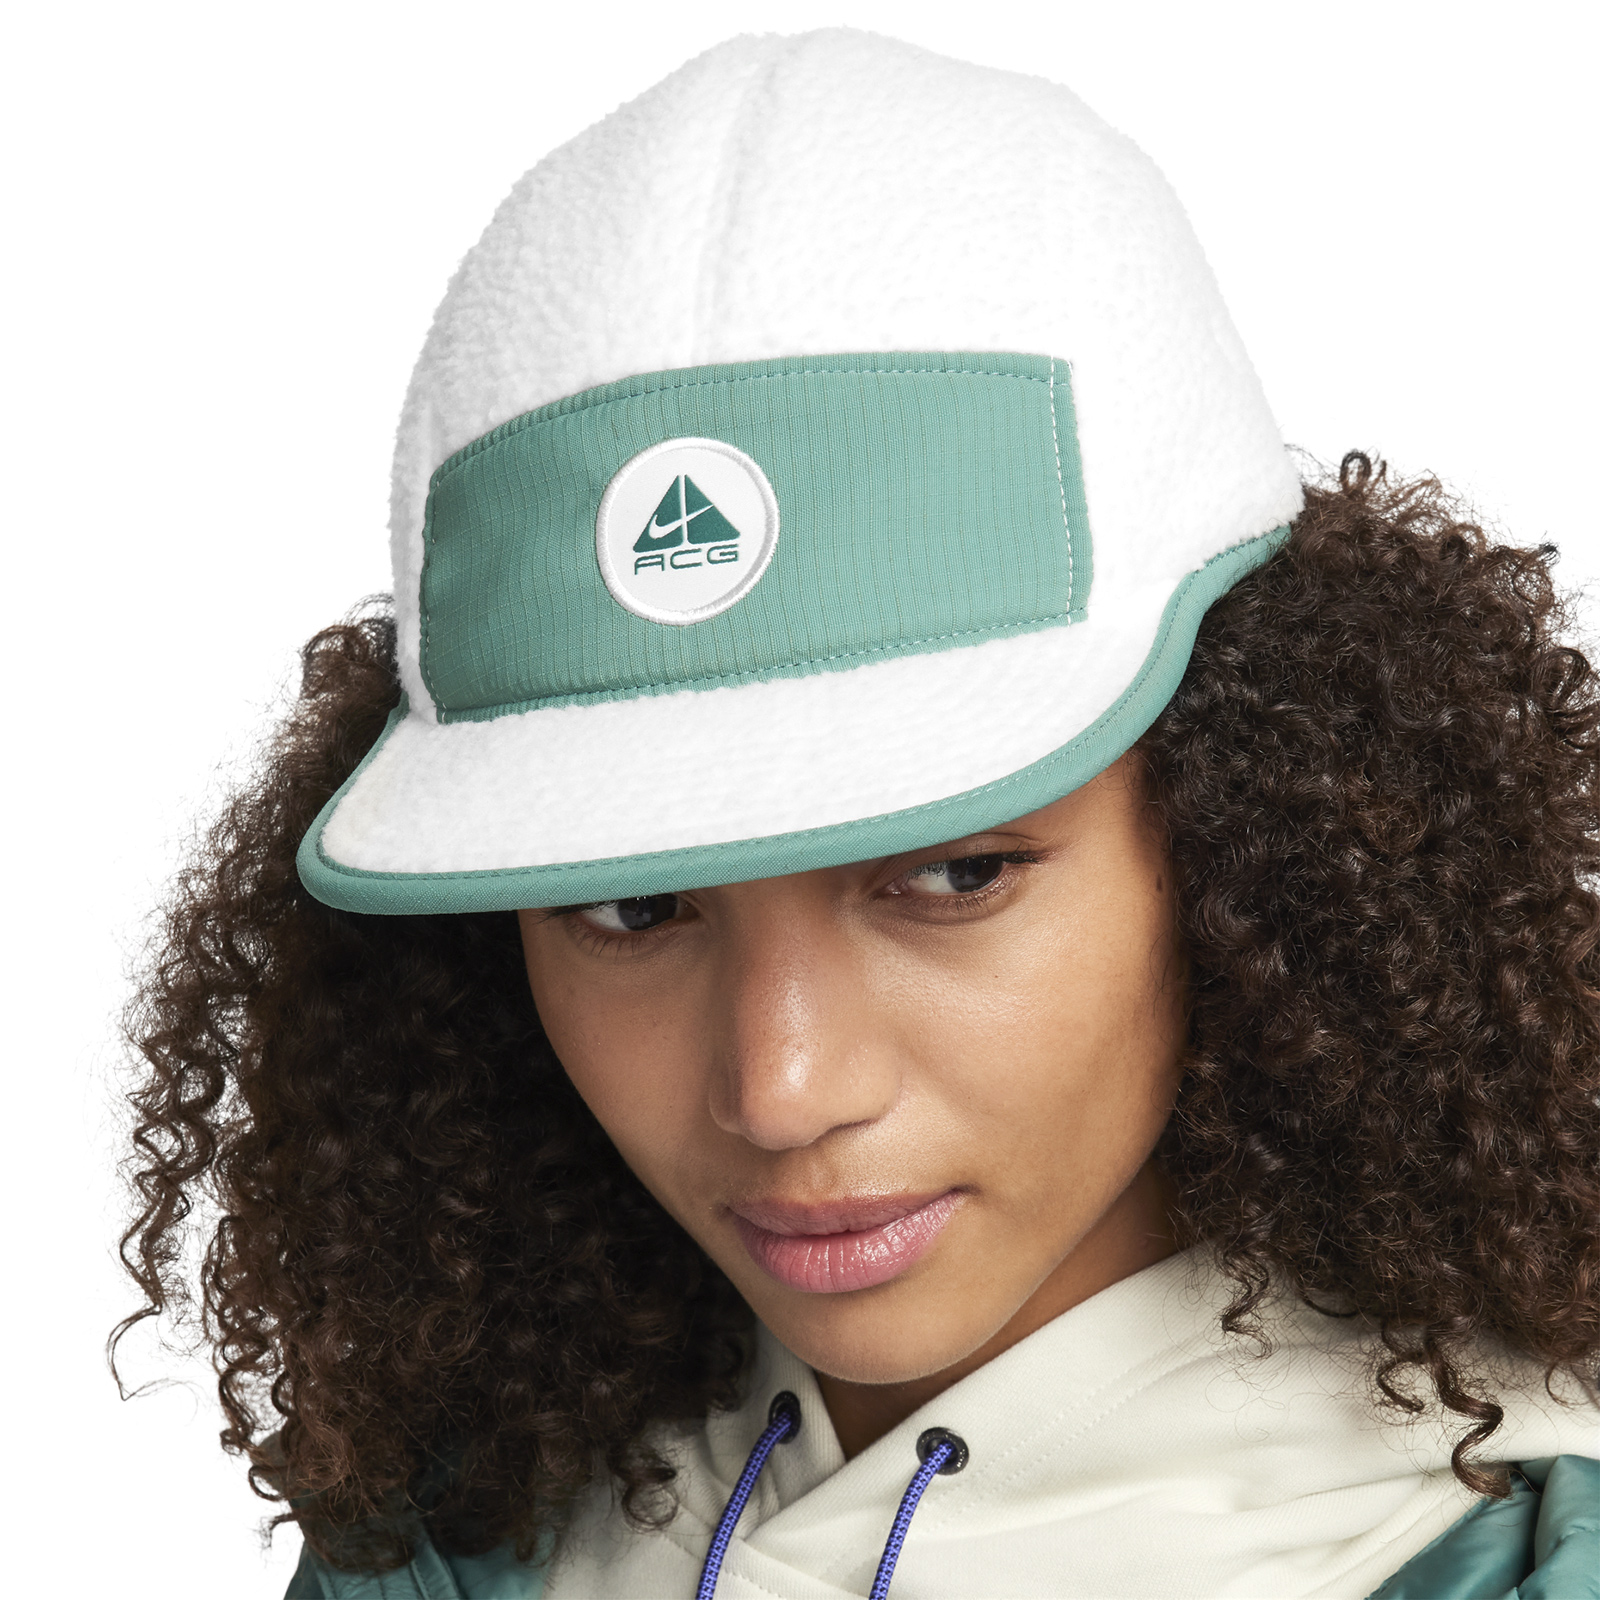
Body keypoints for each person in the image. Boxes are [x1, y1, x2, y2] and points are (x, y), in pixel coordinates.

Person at [118, 29, 1600, 1600]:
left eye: (954, 875)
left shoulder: (1502, 1554)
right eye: (631, 906)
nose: (780, 1090)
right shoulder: (447, 1542)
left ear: (1258, 836)